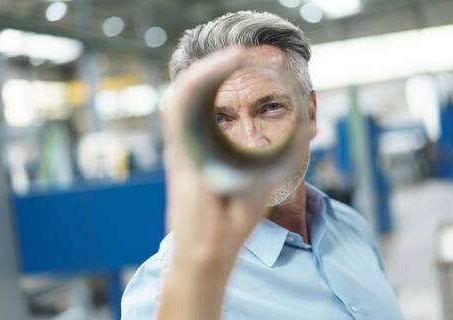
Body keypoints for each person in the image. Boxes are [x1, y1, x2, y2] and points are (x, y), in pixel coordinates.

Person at [121, 11, 404, 320]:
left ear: (310, 114)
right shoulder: (164, 292)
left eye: (271, 107)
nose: (253, 143)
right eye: (221, 120)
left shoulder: (351, 226)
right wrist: (195, 283)